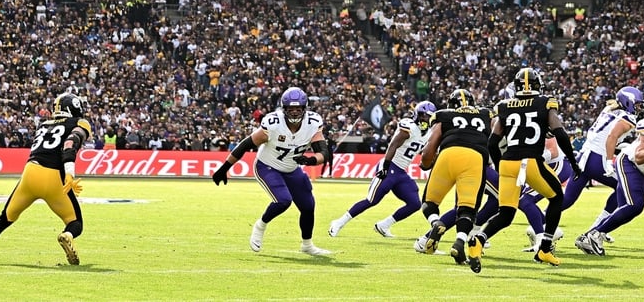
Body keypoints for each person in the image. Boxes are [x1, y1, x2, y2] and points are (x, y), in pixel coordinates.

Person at [0, 91, 89, 266]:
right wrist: (69, 172)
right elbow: (70, 143)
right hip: (53, 176)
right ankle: (67, 235)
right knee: (75, 223)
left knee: (4, 218)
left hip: (30, 173)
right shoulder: (79, 122)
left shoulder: (44, 124)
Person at [210, 87, 333, 257]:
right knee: (283, 201)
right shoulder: (274, 124)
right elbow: (246, 145)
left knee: (308, 206)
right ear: (284, 109)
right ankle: (260, 226)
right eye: (291, 109)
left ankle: (307, 245)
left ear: (305, 109)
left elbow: (323, 152)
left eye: (298, 109)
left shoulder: (312, 123)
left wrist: (311, 160)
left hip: (291, 168)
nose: (295, 112)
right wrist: (224, 169)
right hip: (268, 166)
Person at [473, 67, 573, 266]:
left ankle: (478, 240)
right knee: (557, 198)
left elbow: (492, 142)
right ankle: (544, 248)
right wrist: (574, 161)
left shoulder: (504, 105)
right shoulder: (545, 102)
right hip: (531, 162)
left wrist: (500, 165)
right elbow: (560, 133)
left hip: (508, 163)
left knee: (506, 213)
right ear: (537, 85)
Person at [412, 88, 493, 272]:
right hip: (475, 158)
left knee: (429, 202)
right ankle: (459, 242)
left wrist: (425, 164)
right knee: (467, 209)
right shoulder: (485, 113)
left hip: (448, 154)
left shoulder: (443, 115)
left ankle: (436, 223)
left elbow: (430, 146)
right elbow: (495, 138)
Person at [329, 100, 437, 238]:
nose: (425, 119)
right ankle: (339, 222)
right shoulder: (409, 126)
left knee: (415, 203)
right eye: (423, 115)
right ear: (417, 114)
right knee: (372, 200)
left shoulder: (429, 133)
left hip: (401, 171)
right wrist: (385, 165)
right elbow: (393, 145)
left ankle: (384, 225)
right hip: (390, 165)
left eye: (428, 116)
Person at [577, 104, 644, 254]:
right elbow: (637, 154)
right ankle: (593, 234)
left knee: (629, 207)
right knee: (634, 205)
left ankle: (594, 234)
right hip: (629, 162)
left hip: (641, 170)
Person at [560, 87, 643, 213]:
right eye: (636, 104)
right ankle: (599, 228)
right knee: (624, 187)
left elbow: (605, 135)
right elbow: (612, 136)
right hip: (597, 160)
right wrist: (609, 161)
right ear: (628, 101)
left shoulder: (608, 109)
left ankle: (540, 221)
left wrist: (616, 146)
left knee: (568, 199)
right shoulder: (627, 118)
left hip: (583, 157)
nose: (639, 108)